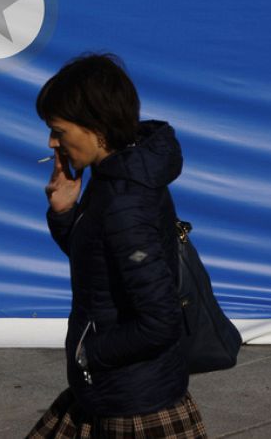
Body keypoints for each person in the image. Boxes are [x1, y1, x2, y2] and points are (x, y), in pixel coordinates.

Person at [28, 53, 206, 439]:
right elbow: (98, 265)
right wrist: (64, 213)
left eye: (59, 130)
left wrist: (89, 352)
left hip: (133, 407)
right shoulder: (113, 178)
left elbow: (160, 322)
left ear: (95, 126)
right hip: (112, 390)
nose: (52, 141)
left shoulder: (124, 199)